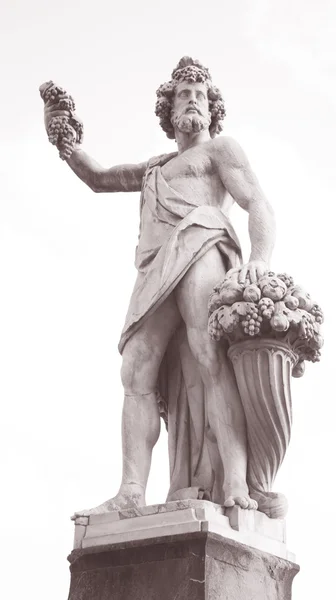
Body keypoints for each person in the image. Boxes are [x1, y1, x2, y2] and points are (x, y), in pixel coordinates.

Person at [43, 57, 276, 516]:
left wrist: (260, 260)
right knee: (135, 371)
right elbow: (99, 178)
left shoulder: (221, 152)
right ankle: (131, 491)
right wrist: (65, 139)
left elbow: (259, 204)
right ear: (169, 111)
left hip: (202, 242)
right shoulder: (156, 167)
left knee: (209, 354)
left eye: (201, 95)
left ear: (212, 110)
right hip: (156, 267)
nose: (193, 100)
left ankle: (234, 480)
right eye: (183, 94)